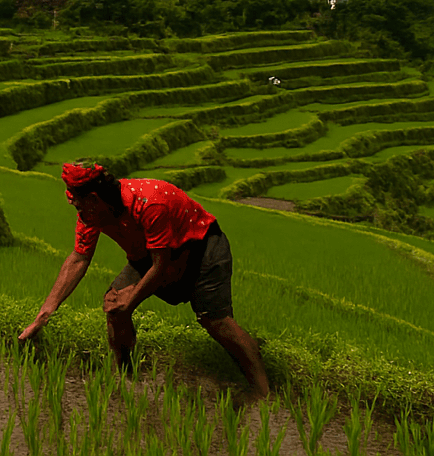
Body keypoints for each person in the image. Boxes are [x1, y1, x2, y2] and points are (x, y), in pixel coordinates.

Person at [18, 163, 270, 397]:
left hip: (200, 248)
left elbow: (162, 265)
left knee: (215, 321)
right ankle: (125, 379)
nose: (78, 212)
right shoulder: (92, 214)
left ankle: (263, 391)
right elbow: (79, 258)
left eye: (79, 205)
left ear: (93, 199)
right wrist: (44, 314)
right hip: (148, 256)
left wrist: (133, 297)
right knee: (114, 307)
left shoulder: (150, 203)